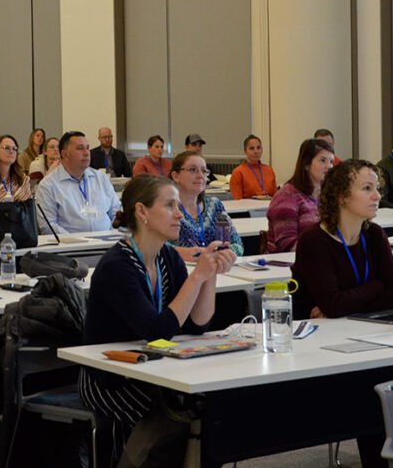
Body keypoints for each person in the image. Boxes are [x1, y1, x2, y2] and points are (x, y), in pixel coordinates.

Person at [80, 175, 237, 464]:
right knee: (174, 408)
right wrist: (198, 276)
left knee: (207, 406)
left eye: (178, 205)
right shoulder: (117, 265)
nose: (179, 214)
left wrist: (211, 271)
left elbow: (196, 324)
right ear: (142, 212)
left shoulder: (168, 257)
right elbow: (158, 331)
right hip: (111, 377)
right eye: (169, 206)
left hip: (156, 367)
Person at [291, 159, 393, 320]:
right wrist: (376, 286)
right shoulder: (314, 241)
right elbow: (334, 305)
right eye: (367, 188)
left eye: (377, 188)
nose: (377, 196)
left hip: (364, 327)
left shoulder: (374, 234)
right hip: (317, 335)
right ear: (342, 196)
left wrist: (347, 305)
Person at [35, 131, 121, 235]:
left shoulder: (101, 178)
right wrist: (76, 242)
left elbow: (116, 212)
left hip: (107, 244)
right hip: (71, 249)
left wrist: (111, 235)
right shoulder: (48, 185)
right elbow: (49, 226)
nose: (86, 153)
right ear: (65, 154)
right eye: (80, 148)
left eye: (88, 148)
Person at [169, 151, 242, 260]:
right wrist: (183, 253)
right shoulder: (167, 209)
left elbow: (238, 245)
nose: (200, 176)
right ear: (175, 176)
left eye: (204, 171)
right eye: (193, 170)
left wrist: (218, 254)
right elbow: (154, 247)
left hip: (218, 271)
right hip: (183, 274)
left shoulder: (214, 205)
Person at [266, 138, 335, 253]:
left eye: (331, 162)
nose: (329, 167)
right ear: (307, 164)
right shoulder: (286, 197)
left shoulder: (329, 195)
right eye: (323, 161)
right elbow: (287, 244)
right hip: (290, 265)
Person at [229, 134, 278, 199]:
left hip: (268, 207)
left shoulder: (269, 170)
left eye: (258, 148)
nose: (256, 151)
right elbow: (237, 200)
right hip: (248, 208)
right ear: (245, 152)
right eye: (252, 148)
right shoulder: (238, 172)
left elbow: (276, 197)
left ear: (262, 150)